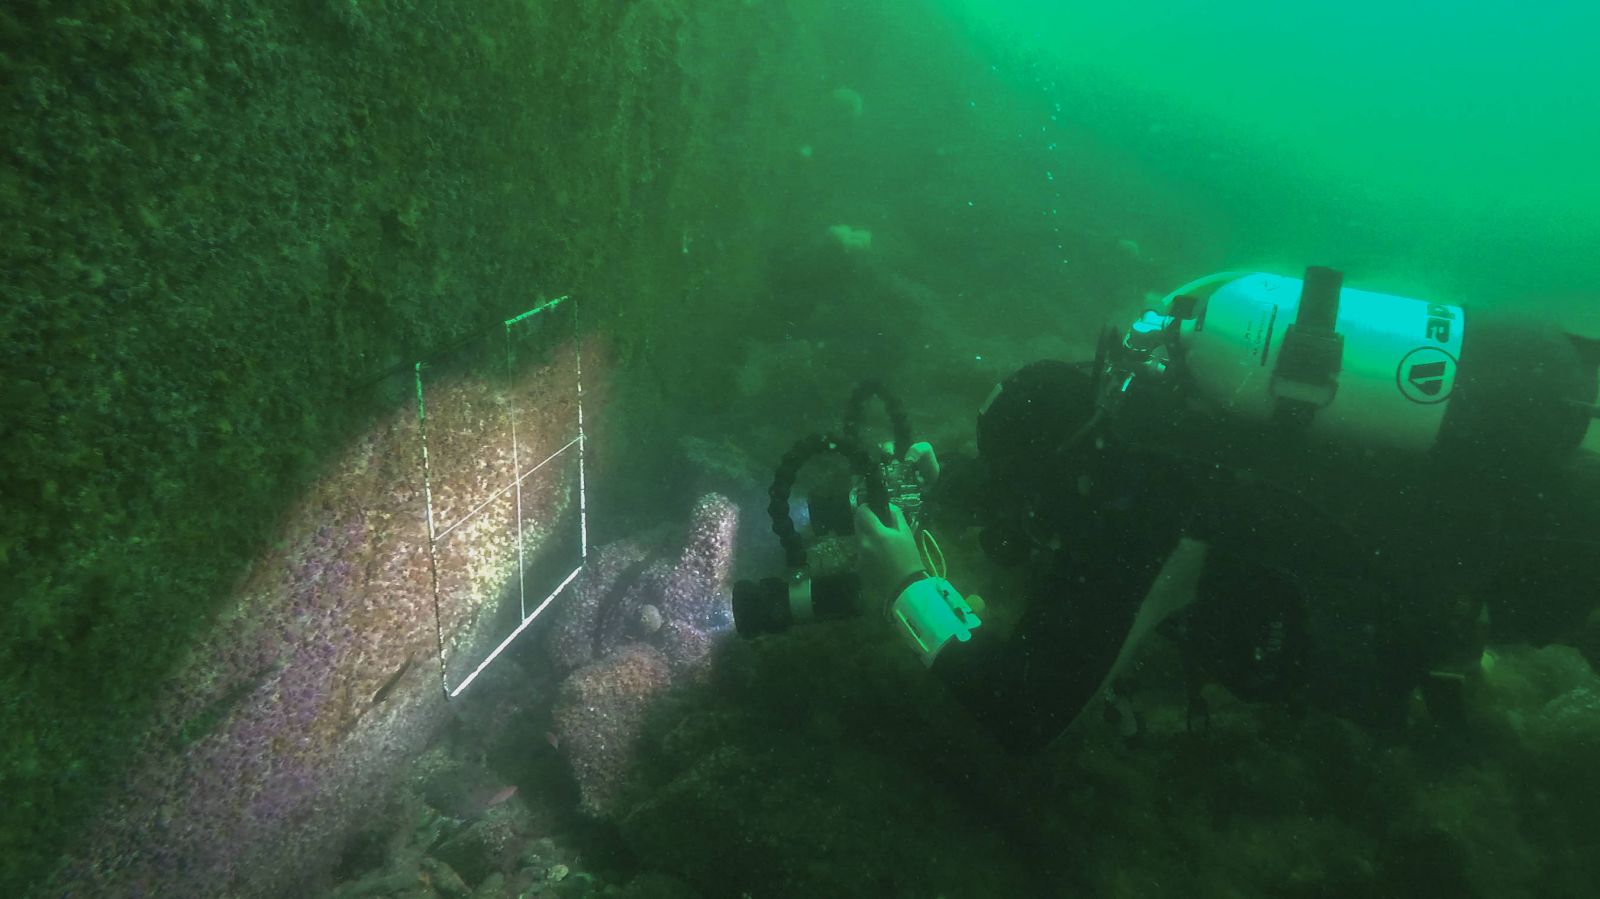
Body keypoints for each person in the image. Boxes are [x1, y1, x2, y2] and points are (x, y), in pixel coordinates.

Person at [853, 269, 1600, 753]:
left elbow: (1026, 708)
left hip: (1545, 569)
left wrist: (909, 587)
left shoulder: (1135, 515)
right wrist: (933, 481)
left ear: (1060, 479)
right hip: (1547, 484)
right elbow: (1037, 443)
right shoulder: (1165, 392)